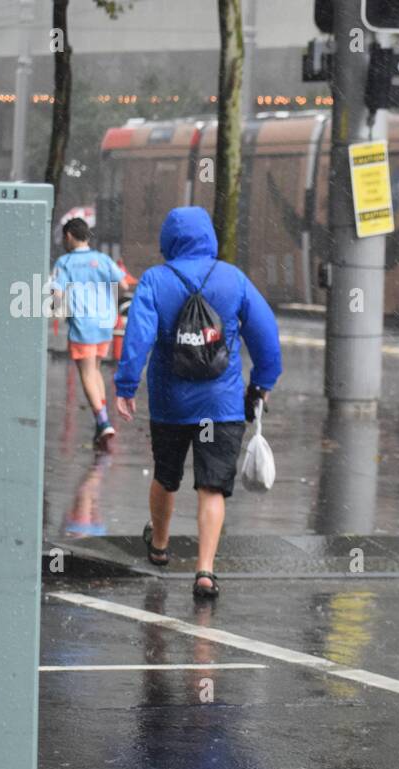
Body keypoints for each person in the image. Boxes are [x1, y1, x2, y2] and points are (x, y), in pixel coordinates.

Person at [114, 206, 282, 599]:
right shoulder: (233, 278)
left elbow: (137, 337)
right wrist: (262, 382)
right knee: (212, 487)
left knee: (165, 474)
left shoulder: (156, 280)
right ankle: (205, 570)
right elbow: (266, 334)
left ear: (168, 240)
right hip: (221, 405)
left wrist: (125, 385)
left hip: (171, 403)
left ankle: (159, 546)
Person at [52, 218, 131, 449]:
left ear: (68, 237)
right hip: (104, 324)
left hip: (83, 324)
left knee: (86, 372)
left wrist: (57, 307)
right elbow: (124, 285)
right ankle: (101, 422)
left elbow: (56, 293)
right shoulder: (103, 259)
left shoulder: (65, 262)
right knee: (95, 369)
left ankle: (103, 421)